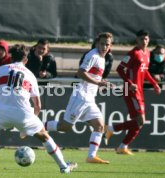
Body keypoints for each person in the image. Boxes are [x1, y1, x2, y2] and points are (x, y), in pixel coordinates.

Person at [0, 44, 77, 173]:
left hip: (2, 113)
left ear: (10, 57)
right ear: (26, 60)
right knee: (44, 135)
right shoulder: (30, 75)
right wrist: (29, 123)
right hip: (23, 114)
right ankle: (64, 166)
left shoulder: (0, 70)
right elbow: (38, 105)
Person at [45, 32, 114, 164]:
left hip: (90, 99)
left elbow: (94, 77)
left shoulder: (102, 58)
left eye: (107, 44)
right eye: (102, 44)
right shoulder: (92, 55)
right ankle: (35, 127)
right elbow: (80, 73)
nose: (104, 47)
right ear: (97, 43)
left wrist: (102, 83)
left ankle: (91, 156)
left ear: (110, 46)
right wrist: (98, 83)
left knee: (99, 126)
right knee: (64, 127)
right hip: (81, 97)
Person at [104, 30, 161, 155]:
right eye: (141, 39)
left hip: (139, 91)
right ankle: (112, 129)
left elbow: (144, 71)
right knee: (141, 121)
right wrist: (130, 83)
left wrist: (154, 83)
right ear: (137, 40)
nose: (144, 41)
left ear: (149, 40)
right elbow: (120, 69)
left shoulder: (147, 54)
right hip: (131, 91)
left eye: (146, 39)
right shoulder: (133, 53)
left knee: (138, 123)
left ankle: (122, 146)